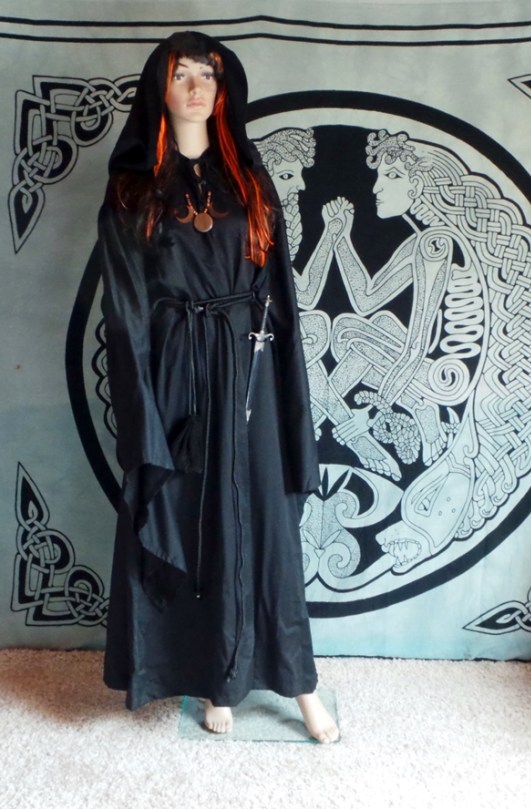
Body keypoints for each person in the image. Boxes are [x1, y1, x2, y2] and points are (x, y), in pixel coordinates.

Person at [96, 30, 338, 743]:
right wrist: (145, 409)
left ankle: (298, 682)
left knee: (264, 521)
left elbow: (279, 292)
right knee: (194, 515)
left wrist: (285, 390)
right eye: (183, 75)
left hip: (249, 365)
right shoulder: (132, 188)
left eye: (208, 74)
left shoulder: (249, 181)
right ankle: (213, 678)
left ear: (223, 90)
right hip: (177, 368)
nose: (197, 87)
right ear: (160, 88)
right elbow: (124, 309)